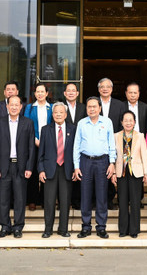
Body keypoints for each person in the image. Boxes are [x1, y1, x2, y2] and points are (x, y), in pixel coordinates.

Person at [73, 96, 117, 239]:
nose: (91, 109)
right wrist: (76, 166)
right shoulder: (81, 123)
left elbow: (112, 144)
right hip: (85, 161)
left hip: (102, 162)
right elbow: (76, 145)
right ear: (86, 109)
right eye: (89, 107)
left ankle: (101, 227)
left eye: (94, 106)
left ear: (99, 108)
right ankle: (85, 226)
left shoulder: (107, 122)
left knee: (101, 195)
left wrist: (112, 163)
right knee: (85, 195)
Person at [0, 95, 35, 238]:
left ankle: (18, 227)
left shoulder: (28, 123)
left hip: (21, 166)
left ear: (21, 107)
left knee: (20, 198)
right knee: (3, 199)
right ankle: (5, 226)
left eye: (17, 104)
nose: (14, 107)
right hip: (4, 166)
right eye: (12, 104)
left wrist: (29, 167)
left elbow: (31, 148)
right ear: (7, 106)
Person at [38, 102, 75, 238]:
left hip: (67, 170)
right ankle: (48, 229)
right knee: (49, 201)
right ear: (52, 115)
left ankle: (63, 229)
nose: (58, 114)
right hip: (49, 170)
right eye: (55, 112)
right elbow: (40, 152)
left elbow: (75, 151)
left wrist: (76, 168)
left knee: (65, 201)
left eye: (61, 112)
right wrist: (41, 170)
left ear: (65, 114)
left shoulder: (73, 129)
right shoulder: (45, 129)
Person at [112, 110, 147, 238]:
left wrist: (146, 172)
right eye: (125, 120)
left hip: (136, 173)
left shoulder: (140, 136)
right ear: (121, 122)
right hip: (121, 172)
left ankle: (134, 230)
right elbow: (113, 155)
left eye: (131, 120)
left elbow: (144, 154)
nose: (128, 122)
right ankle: (123, 230)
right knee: (122, 202)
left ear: (134, 122)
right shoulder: (115, 136)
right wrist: (112, 172)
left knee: (135, 202)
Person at [25, 82, 53, 211]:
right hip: (33, 144)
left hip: (49, 145)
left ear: (47, 93)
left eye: (42, 91)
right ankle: (32, 200)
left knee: (47, 171)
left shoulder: (52, 108)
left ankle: (44, 199)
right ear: (35, 94)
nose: (40, 94)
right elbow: (26, 126)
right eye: (38, 91)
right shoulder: (29, 108)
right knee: (34, 172)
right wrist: (35, 140)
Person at [62, 82, 84, 210]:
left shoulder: (83, 107)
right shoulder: (60, 107)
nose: (71, 92)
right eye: (68, 90)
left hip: (80, 146)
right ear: (64, 93)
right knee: (65, 173)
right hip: (64, 145)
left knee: (78, 172)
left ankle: (76, 200)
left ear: (77, 93)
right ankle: (64, 201)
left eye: (73, 90)